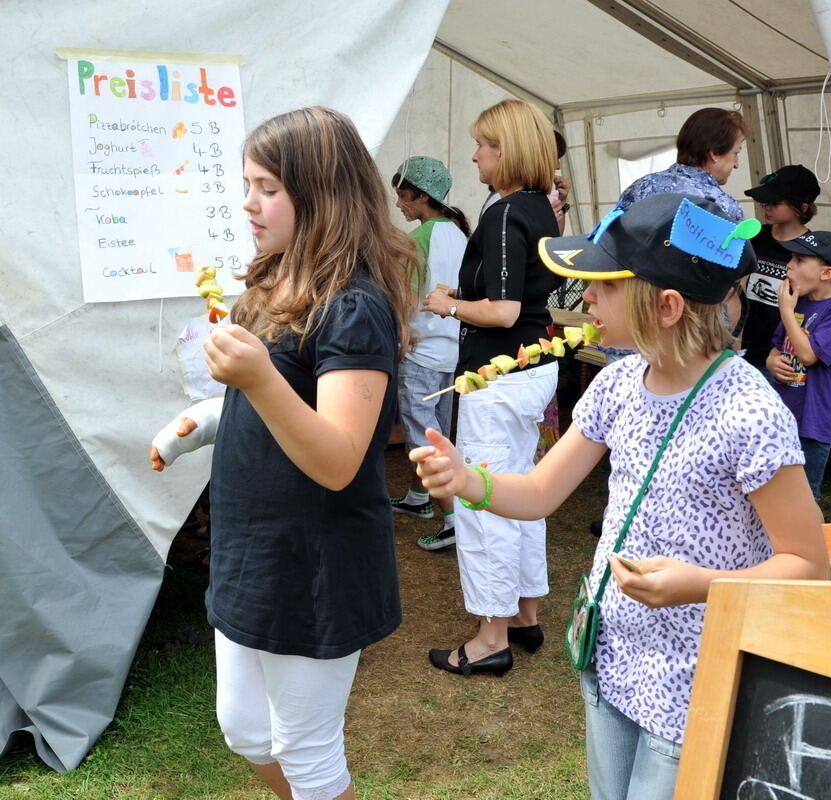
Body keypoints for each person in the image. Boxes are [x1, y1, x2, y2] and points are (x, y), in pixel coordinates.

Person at [411, 193, 829, 799]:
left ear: (665, 305)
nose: (584, 300)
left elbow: (808, 565)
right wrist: (468, 481)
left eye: (602, 286)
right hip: (612, 662)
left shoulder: (750, 411)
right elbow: (538, 493)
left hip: (697, 680)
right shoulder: (615, 383)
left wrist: (695, 584)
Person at [149, 106, 417, 800]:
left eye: (266, 186)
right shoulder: (273, 285)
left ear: (320, 192)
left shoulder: (354, 307)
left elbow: (337, 457)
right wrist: (207, 418)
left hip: (316, 566)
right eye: (247, 183)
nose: (248, 201)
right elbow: (270, 408)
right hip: (255, 555)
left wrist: (256, 377)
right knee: (244, 731)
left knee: (306, 750)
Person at [419, 98, 561, 673]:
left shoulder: (505, 214)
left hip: (498, 375)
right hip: (528, 370)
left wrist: (446, 306)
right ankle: (524, 617)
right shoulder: (539, 209)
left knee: (484, 500)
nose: (475, 156)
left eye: (484, 145)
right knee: (521, 493)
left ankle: (490, 637)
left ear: (507, 151)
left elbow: (502, 311)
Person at [388, 156, 468, 548]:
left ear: (421, 196)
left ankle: (452, 519)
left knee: (424, 441)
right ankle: (420, 498)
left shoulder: (417, 241)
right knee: (440, 433)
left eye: (403, 196)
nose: (399, 204)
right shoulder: (459, 233)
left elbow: (403, 300)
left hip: (420, 352)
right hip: (452, 353)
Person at [767, 231, 831, 501]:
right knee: (777, 492)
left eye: (800, 259)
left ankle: (814, 543)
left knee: (803, 497)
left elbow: (808, 355)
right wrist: (772, 361)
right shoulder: (800, 303)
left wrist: (785, 310)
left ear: (826, 272)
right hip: (784, 413)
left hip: (813, 420)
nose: (789, 265)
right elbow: (777, 346)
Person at [740, 165, 821, 377]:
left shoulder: (813, 251)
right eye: (765, 201)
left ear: (803, 207)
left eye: (775, 203)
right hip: (743, 350)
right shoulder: (755, 237)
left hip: (781, 358)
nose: (766, 207)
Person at [615, 107, 747, 222]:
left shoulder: (641, 187)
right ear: (715, 153)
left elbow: (608, 240)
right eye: (736, 153)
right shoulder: (723, 207)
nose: (736, 164)